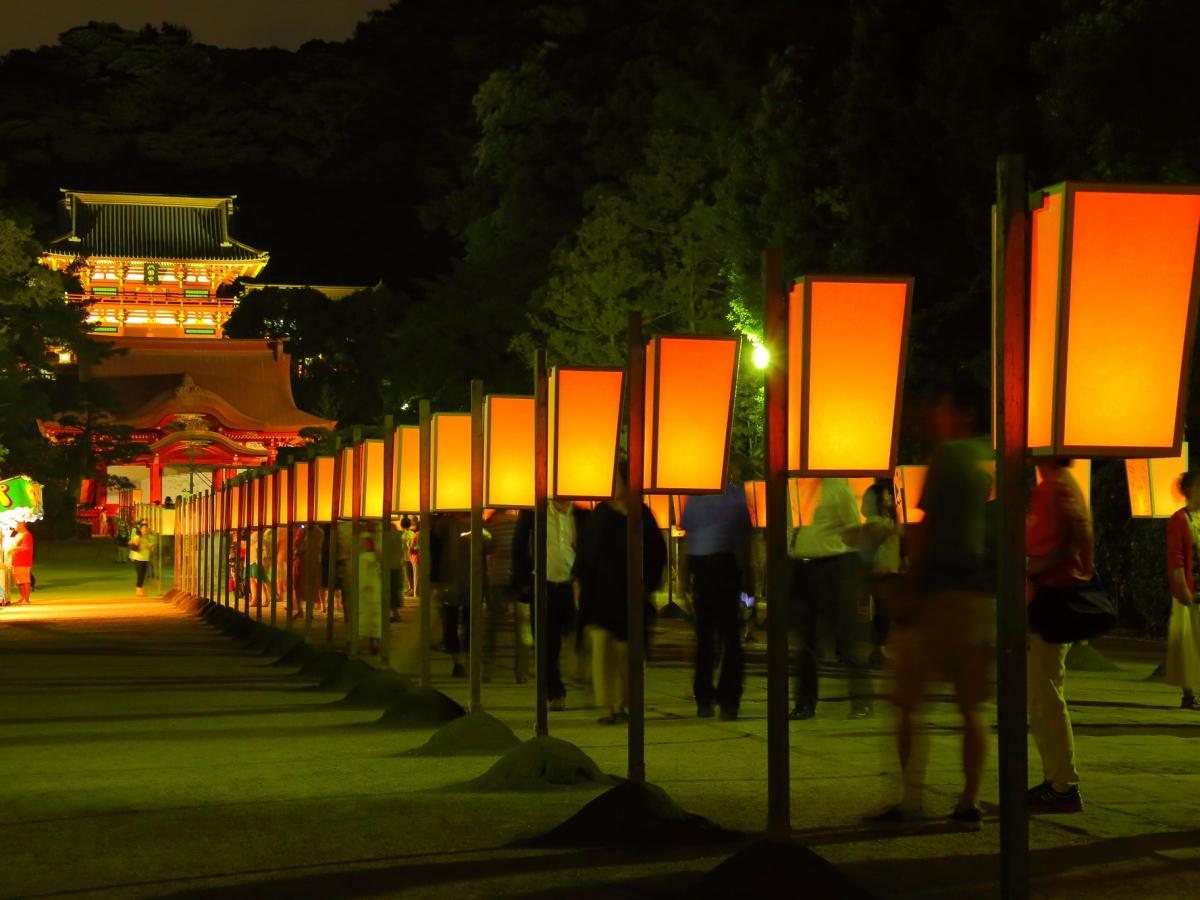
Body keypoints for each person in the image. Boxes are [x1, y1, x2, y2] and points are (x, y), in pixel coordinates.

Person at [872, 380, 993, 830]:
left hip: (941, 595)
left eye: (941, 404)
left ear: (961, 414)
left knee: (907, 702)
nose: (933, 413)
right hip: (982, 599)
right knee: (972, 707)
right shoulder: (998, 459)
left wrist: (909, 588)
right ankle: (969, 801)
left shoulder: (950, 456)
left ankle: (909, 799)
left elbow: (929, 528)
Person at [573, 461, 667, 725]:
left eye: (617, 480)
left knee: (627, 654)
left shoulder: (641, 515)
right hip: (599, 596)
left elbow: (657, 553)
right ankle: (606, 707)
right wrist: (579, 584)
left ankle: (622, 702)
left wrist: (647, 584)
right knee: (601, 649)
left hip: (629, 597)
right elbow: (585, 552)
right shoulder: (600, 515)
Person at [1026, 457, 1093, 814]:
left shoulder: (1055, 488)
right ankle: (1058, 778)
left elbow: (1073, 539)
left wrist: (1036, 567)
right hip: (1050, 597)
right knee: (1045, 692)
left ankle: (1063, 783)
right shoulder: (1065, 485)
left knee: (1045, 695)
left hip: (1050, 598)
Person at [787, 478, 872, 720]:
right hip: (802, 565)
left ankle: (861, 699)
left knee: (845, 635)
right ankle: (804, 703)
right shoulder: (796, 487)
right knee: (804, 641)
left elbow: (854, 529)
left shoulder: (837, 488)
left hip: (832, 565)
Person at [678, 457, 753, 720]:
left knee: (706, 640)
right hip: (724, 568)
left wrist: (683, 580)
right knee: (729, 638)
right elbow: (744, 541)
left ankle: (705, 698)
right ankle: (728, 699)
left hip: (705, 570)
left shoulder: (696, 498)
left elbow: (687, 541)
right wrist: (749, 580)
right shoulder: (735, 496)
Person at [512, 498, 589, 705]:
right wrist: (525, 582)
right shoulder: (533, 513)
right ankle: (555, 692)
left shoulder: (582, 516)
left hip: (573, 585)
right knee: (547, 644)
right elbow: (518, 546)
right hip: (542, 584)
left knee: (582, 634)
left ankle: (584, 677)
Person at [1166, 471, 1200, 710]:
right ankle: (1188, 694)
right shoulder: (1180, 519)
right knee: (1188, 642)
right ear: (1189, 490)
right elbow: (1176, 557)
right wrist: (1182, 587)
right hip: (1191, 590)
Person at [861, 478, 903, 667]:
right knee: (883, 612)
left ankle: (878, 650)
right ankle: (878, 651)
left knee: (885, 612)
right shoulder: (875, 523)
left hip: (889, 569)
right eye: (886, 495)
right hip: (881, 570)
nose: (890, 498)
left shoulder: (886, 521)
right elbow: (876, 541)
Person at [430, 512, 472, 677]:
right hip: (466, 578)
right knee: (464, 622)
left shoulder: (443, 523)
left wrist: (434, 578)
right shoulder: (475, 522)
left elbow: (434, 551)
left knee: (452, 621)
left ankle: (459, 661)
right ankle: (463, 660)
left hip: (450, 577)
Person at [483, 508, 519, 681]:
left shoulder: (491, 525)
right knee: (521, 625)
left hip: (497, 575)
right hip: (517, 576)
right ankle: (521, 670)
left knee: (494, 623)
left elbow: (488, 548)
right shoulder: (516, 523)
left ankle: (488, 667)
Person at [357, 525, 382, 655]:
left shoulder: (365, 559)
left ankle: (372, 643)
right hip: (372, 591)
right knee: (371, 618)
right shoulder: (371, 558)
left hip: (370, 591)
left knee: (370, 618)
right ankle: (372, 642)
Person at [10, 521, 34, 605]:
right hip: (16, 561)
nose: (15, 526)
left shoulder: (27, 535)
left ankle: (26, 599)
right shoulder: (18, 535)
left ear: (22, 525)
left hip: (23, 561)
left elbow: (26, 547)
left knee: (25, 580)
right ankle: (22, 597)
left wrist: (14, 549)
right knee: (19, 581)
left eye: (16, 524)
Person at [127, 520, 153, 597]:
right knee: (140, 574)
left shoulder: (147, 538)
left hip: (145, 559)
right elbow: (130, 543)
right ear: (141, 530)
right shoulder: (138, 537)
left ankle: (140, 590)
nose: (145, 531)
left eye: (146, 529)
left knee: (143, 575)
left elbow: (148, 546)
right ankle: (138, 591)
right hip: (138, 559)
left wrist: (150, 547)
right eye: (144, 529)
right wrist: (136, 545)